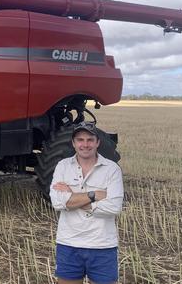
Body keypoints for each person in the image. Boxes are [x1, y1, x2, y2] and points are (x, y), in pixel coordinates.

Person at [49, 121, 124, 284]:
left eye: (90, 139)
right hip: (68, 244)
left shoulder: (112, 169)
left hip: (102, 245)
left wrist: (72, 197)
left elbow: (114, 207)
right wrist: (94, 195)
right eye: (80, 140)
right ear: (73, 143)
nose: (85, 144)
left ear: (98, 142)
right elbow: (57, 202)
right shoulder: (62, 166)